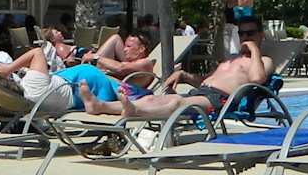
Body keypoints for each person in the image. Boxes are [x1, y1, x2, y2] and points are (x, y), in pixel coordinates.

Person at [83, 19, 272, 121]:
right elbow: (205, 80)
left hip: (221, 100)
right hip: (203, 92)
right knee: (152, 98)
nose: (245, 37)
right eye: (242, 33)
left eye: (250, 33)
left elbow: (257, 80)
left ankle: (135, 111)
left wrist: (254, 49)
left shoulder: (264, 60)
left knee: (177, 102)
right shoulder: (231, 59)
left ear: (261, 35)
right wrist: (184, 75)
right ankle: (100, 106)